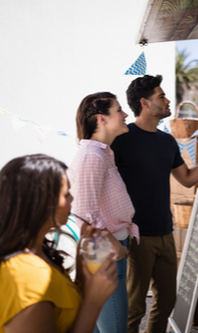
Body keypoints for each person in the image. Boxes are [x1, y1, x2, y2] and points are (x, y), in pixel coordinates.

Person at [111, 75, 198, 333]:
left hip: (166, 232)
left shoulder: (167, 141)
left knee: (166, 302)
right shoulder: (122, 139)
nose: (167, 101)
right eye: (161, 96)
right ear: (144, 103)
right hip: (136, 235)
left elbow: (187, 179)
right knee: (134, 308)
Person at [0, 154, 118, 333]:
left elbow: (65, 316)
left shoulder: (37, 255)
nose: (72, 200)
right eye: (66, 194)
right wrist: (94, 302)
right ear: (41, 202)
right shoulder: (25, 274)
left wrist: (83, 267)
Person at [69, 92, 140, 333]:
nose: (125, 115)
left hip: (105, 249)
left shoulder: (101, 153)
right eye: (119, 110)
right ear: (102, 119)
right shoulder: (92, 156)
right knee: (115, 328)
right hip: (104, 250)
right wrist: (115, 246)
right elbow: (83, 214)